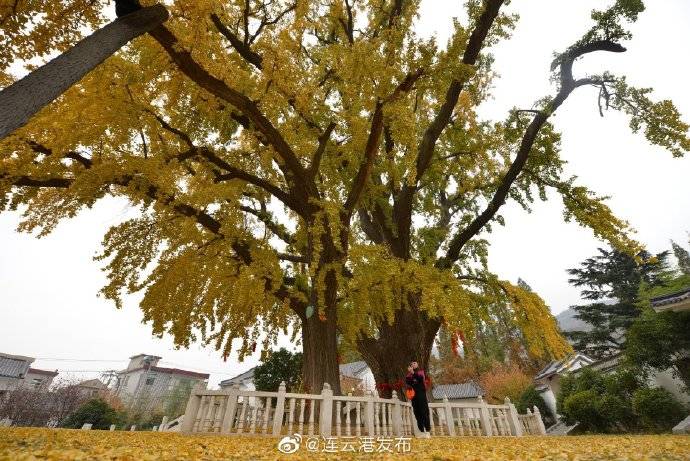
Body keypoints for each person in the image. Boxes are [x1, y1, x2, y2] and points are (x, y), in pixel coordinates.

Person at [405, 360, 431, 437]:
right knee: (417, 412)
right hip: (414, 396)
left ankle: (427, 429)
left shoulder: (421, 372)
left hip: (421, 394)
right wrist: (411, 375)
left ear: (417, 364)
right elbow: (408, 382)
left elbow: (420, 379)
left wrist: (413, 373)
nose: (413, 364)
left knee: (424, 411)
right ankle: (421, 430)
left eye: (415, 363)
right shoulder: (408, 375)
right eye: (412, 364)